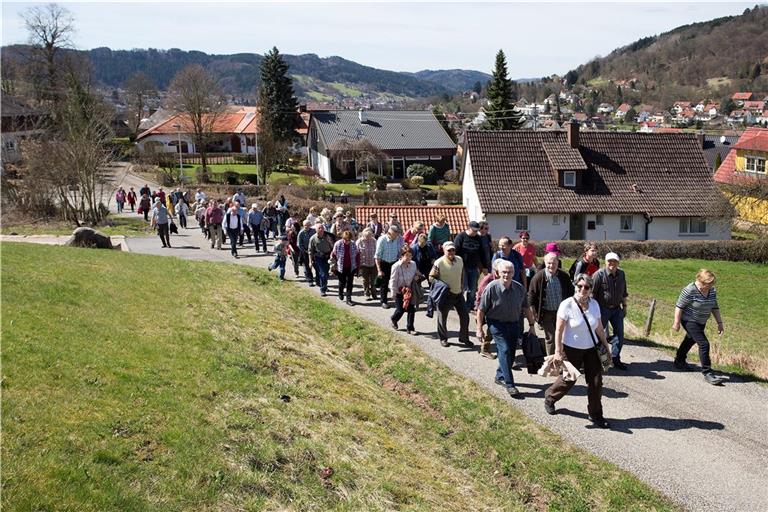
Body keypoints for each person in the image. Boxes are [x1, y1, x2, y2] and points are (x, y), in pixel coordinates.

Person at [544, 273, 612, 429]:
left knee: (596, 383)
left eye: (586, 287)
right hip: (571, 349)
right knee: (569, 379)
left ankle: (596, 414)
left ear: (590, 289)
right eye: (579, 286)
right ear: (575, 286)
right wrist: (558, 351)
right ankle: (550, 397)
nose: (582, 289)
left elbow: (599, 328)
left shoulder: (594, 305)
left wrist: (606, 348)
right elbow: (559, 330)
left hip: (592, 349)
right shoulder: (567, 304)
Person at [477, 259, 537, 397]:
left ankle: (500, 376)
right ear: (498, 273)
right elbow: (481, 310)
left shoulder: (519, 288)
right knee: (504, 350)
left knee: (511, 353)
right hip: (496, 324)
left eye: (509, 272)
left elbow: (526, 308)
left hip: (514, 324)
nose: (506, 274)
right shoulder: (492, 288)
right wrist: (479, 329)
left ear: (513, 273)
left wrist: (532, 326)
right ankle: (510, 384)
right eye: (504, 272)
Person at [672, 269, 725, 385]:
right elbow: (679, 306)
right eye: (708, 284)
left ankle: (679, 360)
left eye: (711, 284)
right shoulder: (689, 290)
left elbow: (714, 307)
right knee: (704, 344)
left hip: (701, 321)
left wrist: (720, 323)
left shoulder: (711, 291)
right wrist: (676, 322)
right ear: (700, 281)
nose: (710, 287)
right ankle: (707, 372)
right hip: (689, 320)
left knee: (690, 339)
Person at [528, 252, 574, 356]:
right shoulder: (538, 277)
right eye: (549, 263)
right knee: (551, 337)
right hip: (546, 313)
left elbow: (571, 293)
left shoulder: (564, 276)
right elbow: (531, 296)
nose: (551, 266)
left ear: (558, 263)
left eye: (554, 263)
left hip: (562, 313)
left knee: (563, 336)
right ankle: (552, 361)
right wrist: (534, 314)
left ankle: (563, 357)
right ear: (545, 263)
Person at [429, 241, 471, 347]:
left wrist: (462, 285)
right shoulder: (439, 262)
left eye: (453, 250)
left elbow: (462, 273)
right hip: (445, 295)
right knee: (442, 318)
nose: (451, 252)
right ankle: (443, 338)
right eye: (449, 250)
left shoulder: (460, 260)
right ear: (444, 251)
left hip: (458, 293)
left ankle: (464, 338)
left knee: (465, 316)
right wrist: (442, 286)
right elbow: (431, 277)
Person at [591, 252, 628, 370]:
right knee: (597, 335)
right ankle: (596, 359)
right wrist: (592, 311)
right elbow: (592, 294)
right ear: (605, 262)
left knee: (619, 336)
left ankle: (615, 359)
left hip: (617, 309)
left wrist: (625, 307)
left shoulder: (621, 274)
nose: (612, 263)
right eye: (609, 261)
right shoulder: (598, 275)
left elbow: (624, 292)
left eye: (615, 261)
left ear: (618, 263)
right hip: (602, 309)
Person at [389, 245, 421, 335]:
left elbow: (416, 273)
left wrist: (417, 276)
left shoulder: (413, 264)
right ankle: (394, 319)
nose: (408, 258)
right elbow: (393, 280)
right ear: (402, 256)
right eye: (406, 255)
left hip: (409, 290)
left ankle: (410, 328)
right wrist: (393, 293)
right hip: (399, 291)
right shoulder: (396, 266)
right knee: (401, 310)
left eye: (410, 256)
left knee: (411, 309)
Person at [454, 221, 483, 311]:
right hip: (462, 266)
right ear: (469, 228)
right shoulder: (461, 236)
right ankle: (460, 304)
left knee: (473, 288)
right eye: (474, 230)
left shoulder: (478, 238)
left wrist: (484, 266)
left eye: (477, 231)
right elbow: (455, 250)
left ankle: (469, 305)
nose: (475, 232)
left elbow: (482, 252)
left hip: (473, 266)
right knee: (463, 287)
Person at [375, 225, 404, 309]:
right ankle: (383, 301)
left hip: (394, 263)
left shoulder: (397, 239)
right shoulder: (382, 240)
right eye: (395, 235)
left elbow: (399, 251)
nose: (396, 237)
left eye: (397, 235)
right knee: (384, 284)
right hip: (384, 263)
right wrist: (379, 270)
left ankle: (398, 301)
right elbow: (377, 256)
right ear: (389, 234)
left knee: (396, 282)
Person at [332, 230, 360, 305]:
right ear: (343, 238)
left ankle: (348, 299)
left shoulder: (353, 244)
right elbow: (333, 255)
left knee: (350, 283)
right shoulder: (338, 244)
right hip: (341, 267)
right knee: (342, 282)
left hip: (351, 267)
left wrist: (357, 266)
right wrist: (333, 266)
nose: (347, 241)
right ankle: (340, 292)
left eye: (349, 240)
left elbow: (357, 255)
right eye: (345, 239)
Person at [309, 223, 334, 296]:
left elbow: (333, 247)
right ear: (316, 230)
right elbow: (310, 251)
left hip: (328, 257)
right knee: (323, 274)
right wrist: (310, 261)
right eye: (319, 228)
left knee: (326, 274)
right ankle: (323, 290)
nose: (321, 229)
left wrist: (329, 241)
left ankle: (324, 286)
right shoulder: (313, 238)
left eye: (322, 228)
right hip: (319, 258)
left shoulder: (328, 236)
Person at [357, 228, 378, 300]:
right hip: (363, 264)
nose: (368, 238)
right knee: (365, 280)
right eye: (366, 236)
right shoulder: (359, 242)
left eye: (369, 236)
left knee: (373, 280)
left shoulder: (374, 241)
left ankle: (374, 293)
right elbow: (356, 253)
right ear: (363, 235)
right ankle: (367, 294)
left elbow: (378, 251)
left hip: (373, 263)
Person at [297, 220, 316, 285]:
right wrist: (305, 251)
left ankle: (318, 280)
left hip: (314, 251)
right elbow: (299, 244)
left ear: (310, 225)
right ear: (303, 225)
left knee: (316, 265)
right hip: (305, 251)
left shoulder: (313, 231)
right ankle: (310, 280)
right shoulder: (301, 233)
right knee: (308, 266)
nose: (307, 226)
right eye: (305, 225)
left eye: (308, 225)